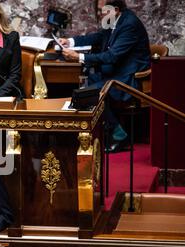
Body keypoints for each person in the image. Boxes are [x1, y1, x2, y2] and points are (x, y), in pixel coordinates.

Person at [60, 0, 150, 152]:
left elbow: (112, 56)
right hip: (115, 72)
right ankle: (101, 131)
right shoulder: (114, 19)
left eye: (102, 10)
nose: (99, 13)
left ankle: (119, 135)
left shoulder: (129, 25)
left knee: (89, 94)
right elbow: (99, 37)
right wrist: (70, 41)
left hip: (128, 78)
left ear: (115, 9)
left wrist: (79, 57)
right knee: (85, 86)